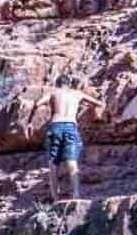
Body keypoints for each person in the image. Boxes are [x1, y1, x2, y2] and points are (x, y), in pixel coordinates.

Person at [39, 74, 106, 202]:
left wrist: (30, 122)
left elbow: (38, 103)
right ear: (69, 84)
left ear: (57, 84)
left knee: (53, 163)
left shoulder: (54, 92)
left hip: (55, 126)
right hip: (70, 125)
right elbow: (98, 103)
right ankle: (76, 194)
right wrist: (94, 110)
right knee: (72, 161)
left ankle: (55, 197)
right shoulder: (77, 94)